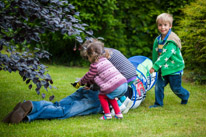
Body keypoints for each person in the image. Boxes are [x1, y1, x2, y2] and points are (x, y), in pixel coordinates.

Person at [2, 39, 141, 123]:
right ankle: (31, 108)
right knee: (64, 110)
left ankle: (29, 110)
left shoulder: (103, 59)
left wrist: (89, 86)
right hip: (98, 92)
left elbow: (104, 79)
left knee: (60, 106)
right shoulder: (109, 54)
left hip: (97, 92)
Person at [149, 13, 190, 108]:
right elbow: (156, 54)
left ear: (170, 26)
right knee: (158, 86)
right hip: (162, 68)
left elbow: (165, 56)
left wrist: (155, 66)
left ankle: (185, 95)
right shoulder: (158, 40)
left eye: (165, 25)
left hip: (174, 68)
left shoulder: (171, 40)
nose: (162, 27)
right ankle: (158, 104)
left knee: (175, 88)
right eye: (160, 25)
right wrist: (155, 66)